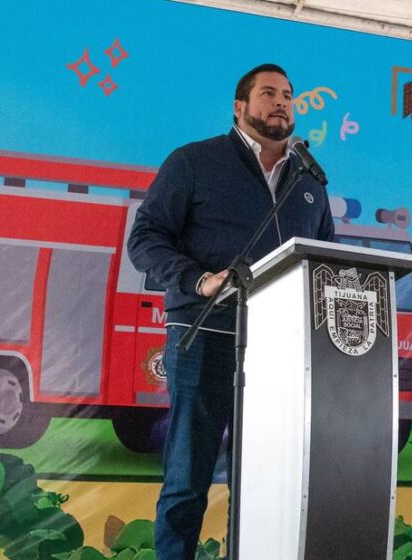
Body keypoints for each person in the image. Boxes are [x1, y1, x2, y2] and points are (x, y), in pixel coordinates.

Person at [128, 63, 334, 559]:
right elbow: (145, 238)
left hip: (280, 351)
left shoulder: (308, 182)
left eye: (288, 95)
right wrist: (201, 280)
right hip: (208, 336)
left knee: (261, 482)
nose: (282, 102)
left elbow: (326, 260)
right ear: (239, 107)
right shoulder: (195, 162)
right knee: (187, 480)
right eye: (269, 93)